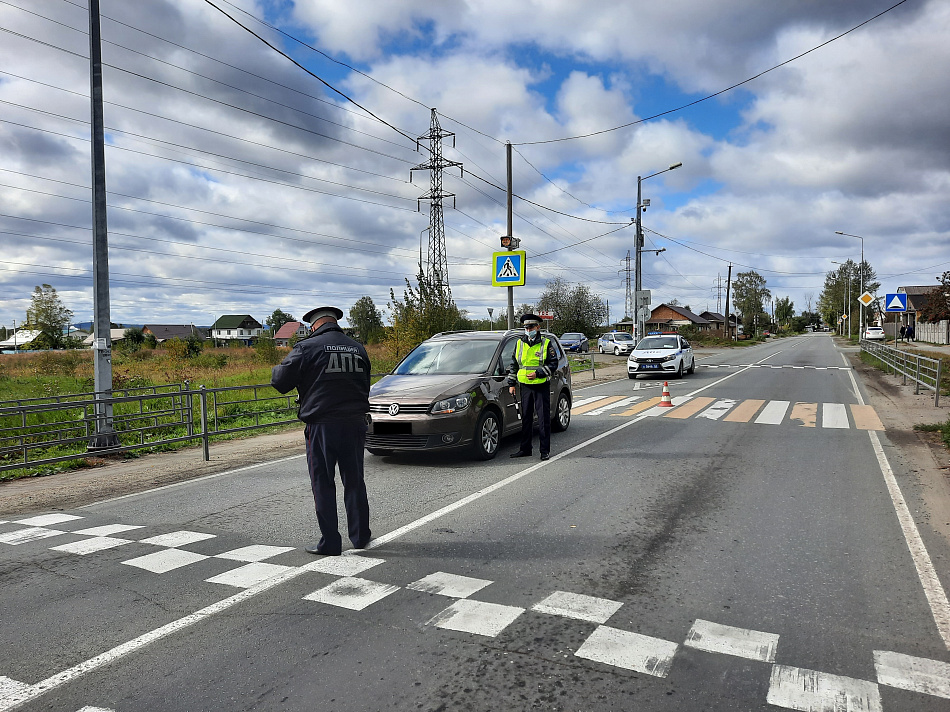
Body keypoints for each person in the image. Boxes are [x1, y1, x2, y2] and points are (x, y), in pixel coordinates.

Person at [271, 306, 371, 555]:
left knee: (323, 483)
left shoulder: (308, 348)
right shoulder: (357, 348)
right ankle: (360, 537)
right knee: (355, 481)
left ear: (313, 325)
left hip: (323, 426)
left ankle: (330, 542)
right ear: (334, 322)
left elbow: (279, 382)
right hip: (355, 423)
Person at [507, 314, 560, 461]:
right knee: (526, 418)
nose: (528, 329)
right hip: (525, 386)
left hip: (541, 385)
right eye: (526, 327)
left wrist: (538, 373)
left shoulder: (546, 343)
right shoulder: (519, 343)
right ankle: (525, 449)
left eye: (531, 327)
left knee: (543, 419)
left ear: (538, 327)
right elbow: (514, 364)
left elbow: (553, 364)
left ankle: (544, 451)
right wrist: (511, 384)